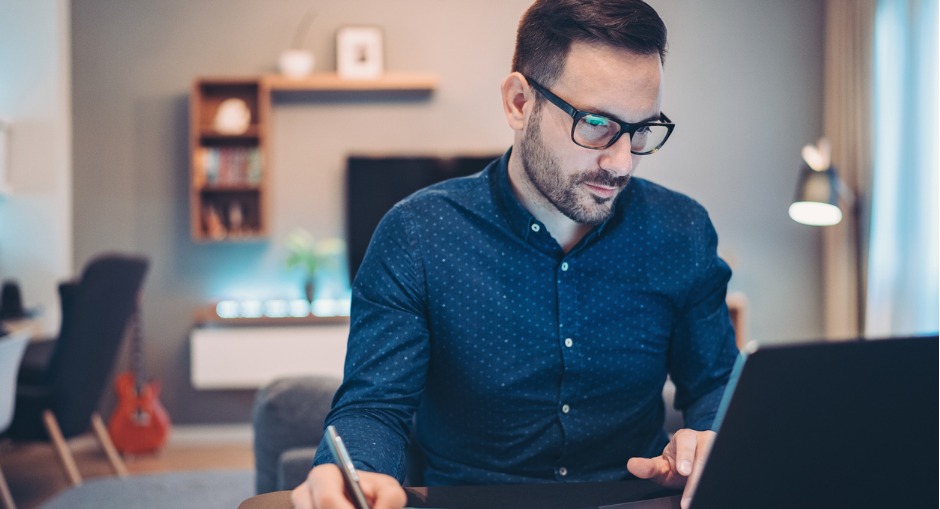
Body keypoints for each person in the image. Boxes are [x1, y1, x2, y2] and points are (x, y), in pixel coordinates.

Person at [292, 1, 738, 508]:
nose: (620, 163)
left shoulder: (681, 231)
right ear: (520, 103)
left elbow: (716, 382)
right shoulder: (417, 235)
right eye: (596, 123)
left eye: (640, 131)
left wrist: (711, 435)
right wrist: (351, 477)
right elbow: (375, 407)